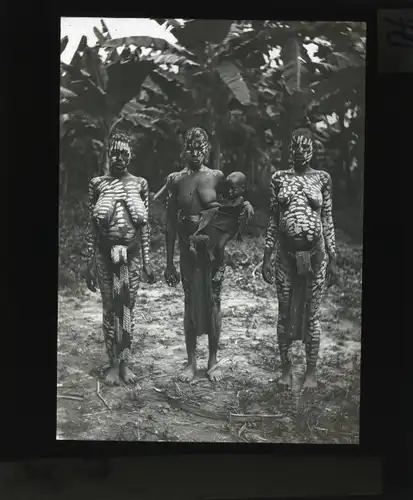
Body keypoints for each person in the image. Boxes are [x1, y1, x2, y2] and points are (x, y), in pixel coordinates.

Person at [163, 127, 254, 383]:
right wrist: (169, 262)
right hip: (187, 250)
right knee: (190, 303)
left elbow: (231, 203)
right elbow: (170, 223)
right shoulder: (176, 180)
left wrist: (244, 204)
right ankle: (191, 362)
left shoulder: (216, 176)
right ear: (184, 149)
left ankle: (212, 360)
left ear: (206, 149)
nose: (195, 153)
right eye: (190, 147)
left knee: (214, 302)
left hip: (214, 253)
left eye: (199, 148)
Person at [261, 127, 337, 391]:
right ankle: (285, 371)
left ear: (312, 151)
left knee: (312, 315)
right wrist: (266, 254)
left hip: (316, 256)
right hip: (285, 256)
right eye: (296, 147)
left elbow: (326, 217)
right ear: (289, 149)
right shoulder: (279, 178)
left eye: (305, 148)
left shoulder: (322, 179)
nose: (300, 153)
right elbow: (273, 217)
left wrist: (333, 256)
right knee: (283, 314)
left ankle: (311, 372)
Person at [84, 132, 155, 386]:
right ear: (108, 154)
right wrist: (88, 262)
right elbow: (92, 226)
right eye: (115, 152)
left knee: (127, 308)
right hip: (105, 255)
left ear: (131, 155)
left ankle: (125, 363)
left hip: (132, 256)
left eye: (124, 153)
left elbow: (144, 227)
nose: (119, 157)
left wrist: (147, 261)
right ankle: (112, 364)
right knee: (110, 307)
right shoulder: (97, 184)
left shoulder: (140, 184)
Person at [188, 171, 249, 281]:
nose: (230, 191)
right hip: (221, 224)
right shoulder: (229, 196)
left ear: (242, 188)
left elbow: (230, 206)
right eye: (229, 188)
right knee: (210, 241)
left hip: (230, 227)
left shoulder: (239, 200)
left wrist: (219, 204)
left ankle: (221, 267)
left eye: (233, 189)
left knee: (220, 245)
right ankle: (209, 259)